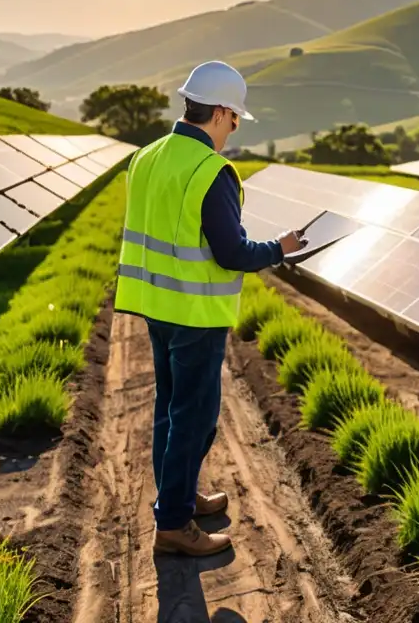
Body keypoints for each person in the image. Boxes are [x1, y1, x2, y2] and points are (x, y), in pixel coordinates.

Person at [113, 61, 306, 557]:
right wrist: (280, 248)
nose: (233, 131)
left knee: (169, 411)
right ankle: (174, 524)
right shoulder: (211, 170)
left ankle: (176, 498)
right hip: (196, 314)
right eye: (236, 119)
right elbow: (232, 253)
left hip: (156, 305)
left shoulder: (148, 156)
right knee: (195, 418)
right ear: (221, 113)